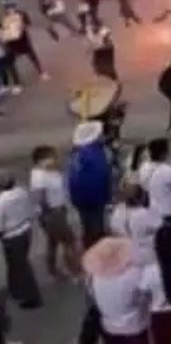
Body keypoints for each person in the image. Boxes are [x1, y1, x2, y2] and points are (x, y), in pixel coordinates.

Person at [84, 237, 151, 344]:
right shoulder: (132, 274)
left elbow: (92, 298)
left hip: (108, 324)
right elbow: (143, 295)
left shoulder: (93, 278)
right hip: (134, 323)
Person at [30, 146, 80, 278]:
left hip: (58, 210)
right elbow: (40, 198)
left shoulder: (49, 171)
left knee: (53, 242)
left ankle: (54, 270)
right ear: (41, 160)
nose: (55, 159)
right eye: (52, 157)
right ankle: (73, 269)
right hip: (53, 213)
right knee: (70, 241)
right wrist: (49, 215)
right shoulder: (39, 177)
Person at [69, 121, 112, 248]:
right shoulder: (95, 154)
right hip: (95, 198)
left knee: (86, 226)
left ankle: (88, 247)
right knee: (96, 228)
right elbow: (101, 176)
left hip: (79, 198)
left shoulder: (76, 153)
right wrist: (107, 196)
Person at [0, 173, 40, 309]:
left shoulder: (2, 201)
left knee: (20, 266)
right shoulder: (21, 192)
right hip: (25, 229)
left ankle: (32, 296)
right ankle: (16, 290)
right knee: (17, 264)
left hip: (11, 235)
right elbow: (30, 209)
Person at [109, 181, 161, 266]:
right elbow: (160, 229)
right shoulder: (143, 214)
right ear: (141, 197)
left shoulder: (117, 213)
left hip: (124, 255)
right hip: (145, 256)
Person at [1, 3, 47, 82]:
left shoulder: (21, 14)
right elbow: (2, 29)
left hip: (23, 40)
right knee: (11, 63)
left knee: (32, 56)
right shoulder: (4, 17)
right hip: (10, 42)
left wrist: (22, 26)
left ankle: (41, 72)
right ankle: (16, 83)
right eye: (8, 8)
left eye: (12, 7)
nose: (10, 10)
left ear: (15, 7)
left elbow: (28, 23)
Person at [84, 14, 117, 80]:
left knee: (108, 66)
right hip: (98, 49)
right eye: (93, 25)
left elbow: (108, 41)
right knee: (95, 65)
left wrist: (105, 41)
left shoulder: (105, 31)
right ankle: (99, 78)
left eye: (96, 25)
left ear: (99, 25)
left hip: (107, 49)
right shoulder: (89, 30)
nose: (94, 27)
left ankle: (114, 79)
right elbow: (89, 41)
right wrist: (88, 49)